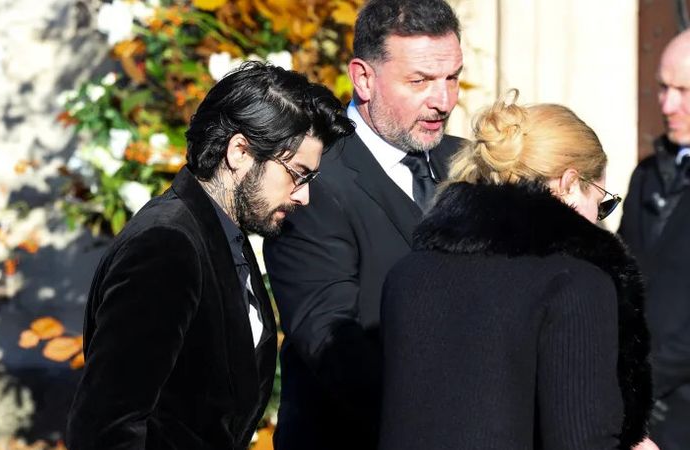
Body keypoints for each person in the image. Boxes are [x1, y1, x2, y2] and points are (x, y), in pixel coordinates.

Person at [66, 62, 354, 449]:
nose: (303, 196)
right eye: (297, 174)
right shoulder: (167, 245)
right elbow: (105, 429)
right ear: (240, 152)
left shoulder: (220, 233)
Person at [379, 92, 655, 449]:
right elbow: (582, 440)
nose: (599, 222)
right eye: (601, 204)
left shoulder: (408, 274)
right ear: (569, 183)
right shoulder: (573, 284)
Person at [262, 0, 465, 448]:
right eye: (420, 81)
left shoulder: (468, 163)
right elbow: (331, 342)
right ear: (363, 78)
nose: (444, 101)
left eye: (452, 78)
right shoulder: (311, 177)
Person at [619, 28, 690, 450]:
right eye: (663, 88)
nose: (667, 105)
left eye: (683, 91)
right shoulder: (646, 174)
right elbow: (622, 273)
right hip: (638, 410)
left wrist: (647, 378)